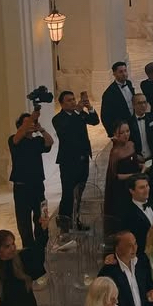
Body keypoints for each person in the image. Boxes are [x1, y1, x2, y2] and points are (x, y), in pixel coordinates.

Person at [51, 90, 99, 228]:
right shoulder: (58, 119)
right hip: (69, 162)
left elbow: (95, 121)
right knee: (68, 194)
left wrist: (89, 107)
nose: (73, 102)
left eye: (73, 99)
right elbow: (66, 130)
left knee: (79, 193)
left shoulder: (80, 114)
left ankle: (76, 220)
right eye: (69, 100)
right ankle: (65, 223)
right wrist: (77, 111)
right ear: (61, 104)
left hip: (83, 159)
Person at [8, 106, 53, 250]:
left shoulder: (37, 141)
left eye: (32, 122)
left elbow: (50, 142)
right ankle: (28, 248)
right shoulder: (14, 140)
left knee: (41, 216)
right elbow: (17, 138)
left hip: (38, 185)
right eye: (27, 122)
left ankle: (42, 245)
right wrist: (32, 118)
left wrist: (41, 129)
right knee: (23, 221)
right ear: (20, 126)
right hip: (21, 187)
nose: (31, 124)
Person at [103, 122, 143, 221]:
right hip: (122, 189)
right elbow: (114, 176)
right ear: (116, 134)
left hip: (135, 185)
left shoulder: (131, 144)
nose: (126, 135)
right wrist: (132, 175)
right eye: (122, 132)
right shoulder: (115, 152)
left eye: (127, 131)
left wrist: (142, 167)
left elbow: (134, 163)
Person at [100, 60, 137, 135]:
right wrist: (111, 133)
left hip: (133, 123)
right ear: (114, 74)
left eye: (125, 71)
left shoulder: (129, 83)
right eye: (120, 72)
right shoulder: (109, 93)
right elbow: (105, 116)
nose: (124, 74)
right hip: (121, 128)